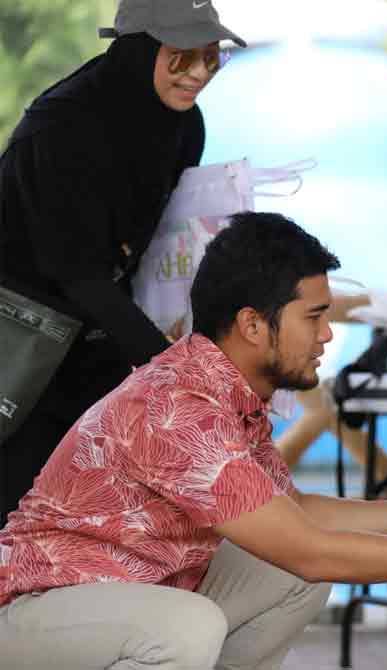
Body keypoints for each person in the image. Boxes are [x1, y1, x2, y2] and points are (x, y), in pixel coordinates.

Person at [0, 212, 387, 670]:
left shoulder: (228, 390)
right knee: (188, 627)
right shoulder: (179, 408)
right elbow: (311, 550)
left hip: (136, 592)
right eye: (314, 317)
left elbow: (292, 517)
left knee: (285, 577)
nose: (327, 334)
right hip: (35, 609)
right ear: (252, 324)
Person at [0, 0, 245, 526]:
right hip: (19, 345)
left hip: (95, 336)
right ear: (137, 50)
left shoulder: (185, 126)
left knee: (87, 514)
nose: (200, 73)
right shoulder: (61, 128)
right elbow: (77, 271)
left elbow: (143, 250)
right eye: (182, 57)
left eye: (212, 57)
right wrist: (169, 369)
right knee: (15, 511)